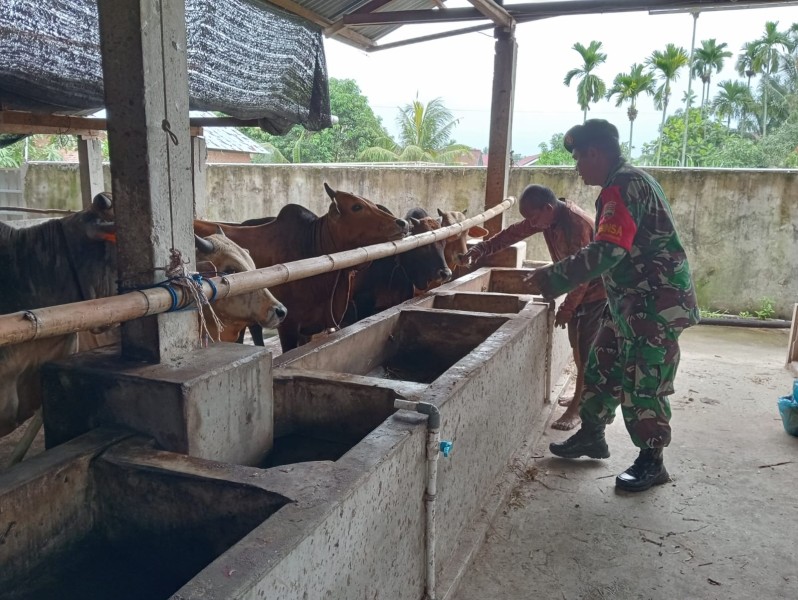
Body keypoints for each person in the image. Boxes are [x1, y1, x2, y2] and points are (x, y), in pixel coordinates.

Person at [525, 119, 699, 493]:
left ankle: (652, 461)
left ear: (594, 153)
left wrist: (555, 277)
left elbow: (608, 250)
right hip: (629, 303)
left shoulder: (622, 187)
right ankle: (592, 435)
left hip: (654, 305)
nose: (576, 167)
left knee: (644, 383)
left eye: (578, 158)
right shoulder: (623, 183)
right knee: (602, 364)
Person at [464, 185, 606, 430]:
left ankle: (577, 410)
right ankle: (580, 396)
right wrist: (482, 248)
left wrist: (568, 308)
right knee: (576, 344)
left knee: (585, 348)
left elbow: (582, 273)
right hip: (577, 287)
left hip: (595, 291)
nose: (531, 224)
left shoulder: (576, 225)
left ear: (547, 209)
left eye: (533, 218)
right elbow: (514, 233)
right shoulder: (547, 217)